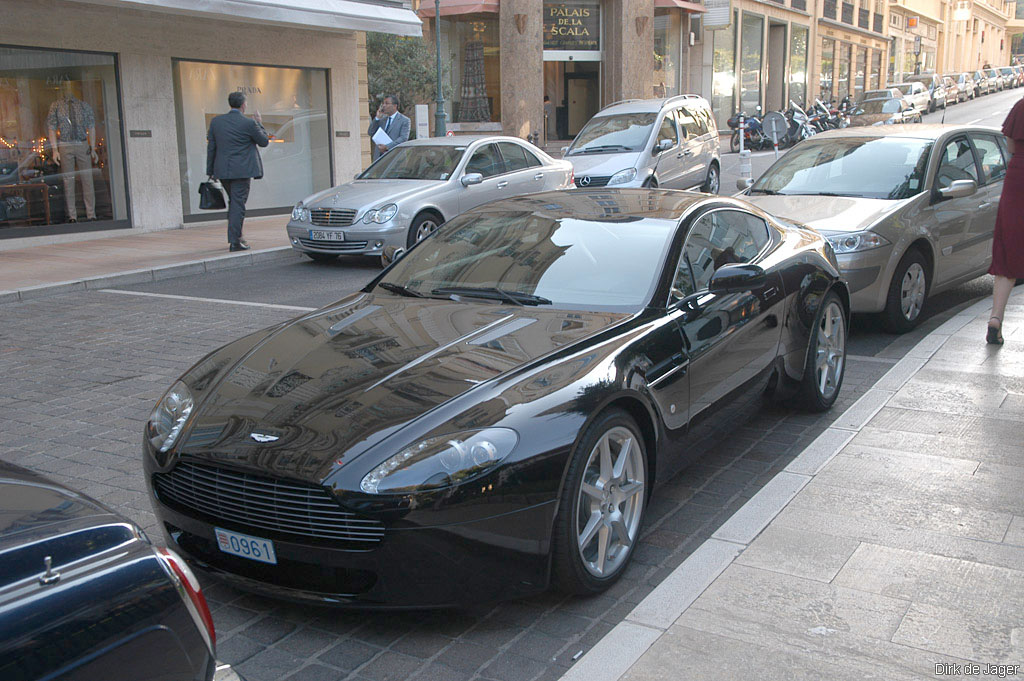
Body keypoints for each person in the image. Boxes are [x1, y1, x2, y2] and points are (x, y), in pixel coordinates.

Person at [206, 91, 269, 251]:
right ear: (243, 105)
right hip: (242, 171)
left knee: (234, 203)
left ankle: (235, 236)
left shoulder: (216, 122)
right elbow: (264, 142)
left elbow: (211, 147)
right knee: (237, 204)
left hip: (222, 171)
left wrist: (210, 170)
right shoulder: (249, 123)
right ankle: (235, 241)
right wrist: (259, 123)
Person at [987, 97, 1024, 344]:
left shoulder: (1021, 106)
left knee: (1006, 251)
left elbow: (1010, 146)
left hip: (1017, 179)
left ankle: (996, 318)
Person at [47, 81, 98, 223]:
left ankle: (91, 213)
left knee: (87, 179)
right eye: (65, 86)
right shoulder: (56, 106)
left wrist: (93, 148)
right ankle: (72, 215)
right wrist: (55, 150)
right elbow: (51, 127)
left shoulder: (83, 105)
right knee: (68, 180)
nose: (68, 88)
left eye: (70, 85)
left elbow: (91, 126)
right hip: (65, 144)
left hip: (82, 143)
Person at [368, 94, 410, 161]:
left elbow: (403, 138)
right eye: (383, 103)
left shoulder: (404, 120)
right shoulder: (382, 119)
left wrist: (387, 147)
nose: (384, 106)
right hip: (380, 157)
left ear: (394, 106)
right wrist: (377, 118)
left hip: (395, 157)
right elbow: (370, 132)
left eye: (387, 103)